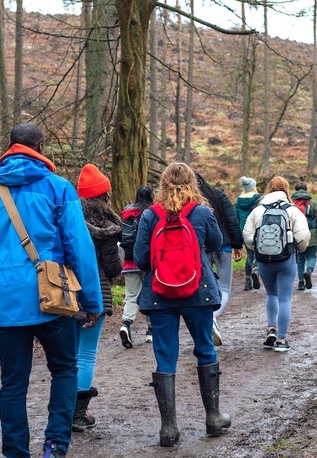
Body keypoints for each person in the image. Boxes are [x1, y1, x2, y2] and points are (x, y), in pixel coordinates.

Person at [0, 124, 102, 458]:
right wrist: (92, 300)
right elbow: (79, 246)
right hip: (52, 298)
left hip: (6, 300)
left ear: (9, 148)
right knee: (65, 369)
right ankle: (55, 444)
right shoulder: (59, 188)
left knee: (13, 383)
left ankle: (15, 452)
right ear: (40, 147)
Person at [132, 162, 230, 447]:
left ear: (162, 185)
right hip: (198, 292)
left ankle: (168, 429)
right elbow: (216, 241)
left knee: (165, 356)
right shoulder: (201, 212)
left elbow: (139, 257)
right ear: (192, 184)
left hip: (160, 295)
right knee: (204, 348)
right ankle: (213, 418)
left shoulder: (151, 215)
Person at [74, 163, 123, 431]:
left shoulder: (67, 217)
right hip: (97, 293)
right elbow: (114, 269)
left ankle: (63, 408)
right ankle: (78, 414)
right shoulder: (107, 224)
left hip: (67, 293)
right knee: (86, 354)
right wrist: (120, 254)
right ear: (104, 194)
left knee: (69, 354)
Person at [242, 176, 310, 352]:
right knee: (285, 298)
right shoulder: (293, 210)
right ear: (286, 189)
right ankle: (281, 340)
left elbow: (248, 235)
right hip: (286, 259)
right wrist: (298, 248)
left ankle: (270, 329)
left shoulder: (258, 210)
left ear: (269, 189)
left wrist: (258, 248)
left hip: (264, 260)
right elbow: (303, 236)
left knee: (271, 294)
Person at [196, 172, 244, 346]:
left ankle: (207, 322)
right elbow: (232, 219)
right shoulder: (218, 194)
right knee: (224, 287)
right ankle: (214, 317)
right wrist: (238, 244)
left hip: (203, 248)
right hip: (223, 245)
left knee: (207, 286)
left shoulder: (193, 201)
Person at [119, 186, 155, 348]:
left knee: (131, 296)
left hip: (129, 261)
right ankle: (150, 331)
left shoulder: (126, 213)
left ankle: (126, 324)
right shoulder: (152, 212)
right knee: (151, 295)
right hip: (147, 261)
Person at [291, 181, 317, 291]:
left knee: (300, 258)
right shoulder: (312, 202)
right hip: (311, 231)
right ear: (306, 190)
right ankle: (309, 271)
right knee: (311, 256)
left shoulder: (292, 203)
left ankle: (301, 282)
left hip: (297, 232)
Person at [234, 176, 262, 291]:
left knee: (250, 255)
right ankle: (256, 269)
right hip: (256, 229)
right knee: (258, 254)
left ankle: (247, 281)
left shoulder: (238, 201)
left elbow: (236, 218)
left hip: (243, 231)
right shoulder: (258, 198)